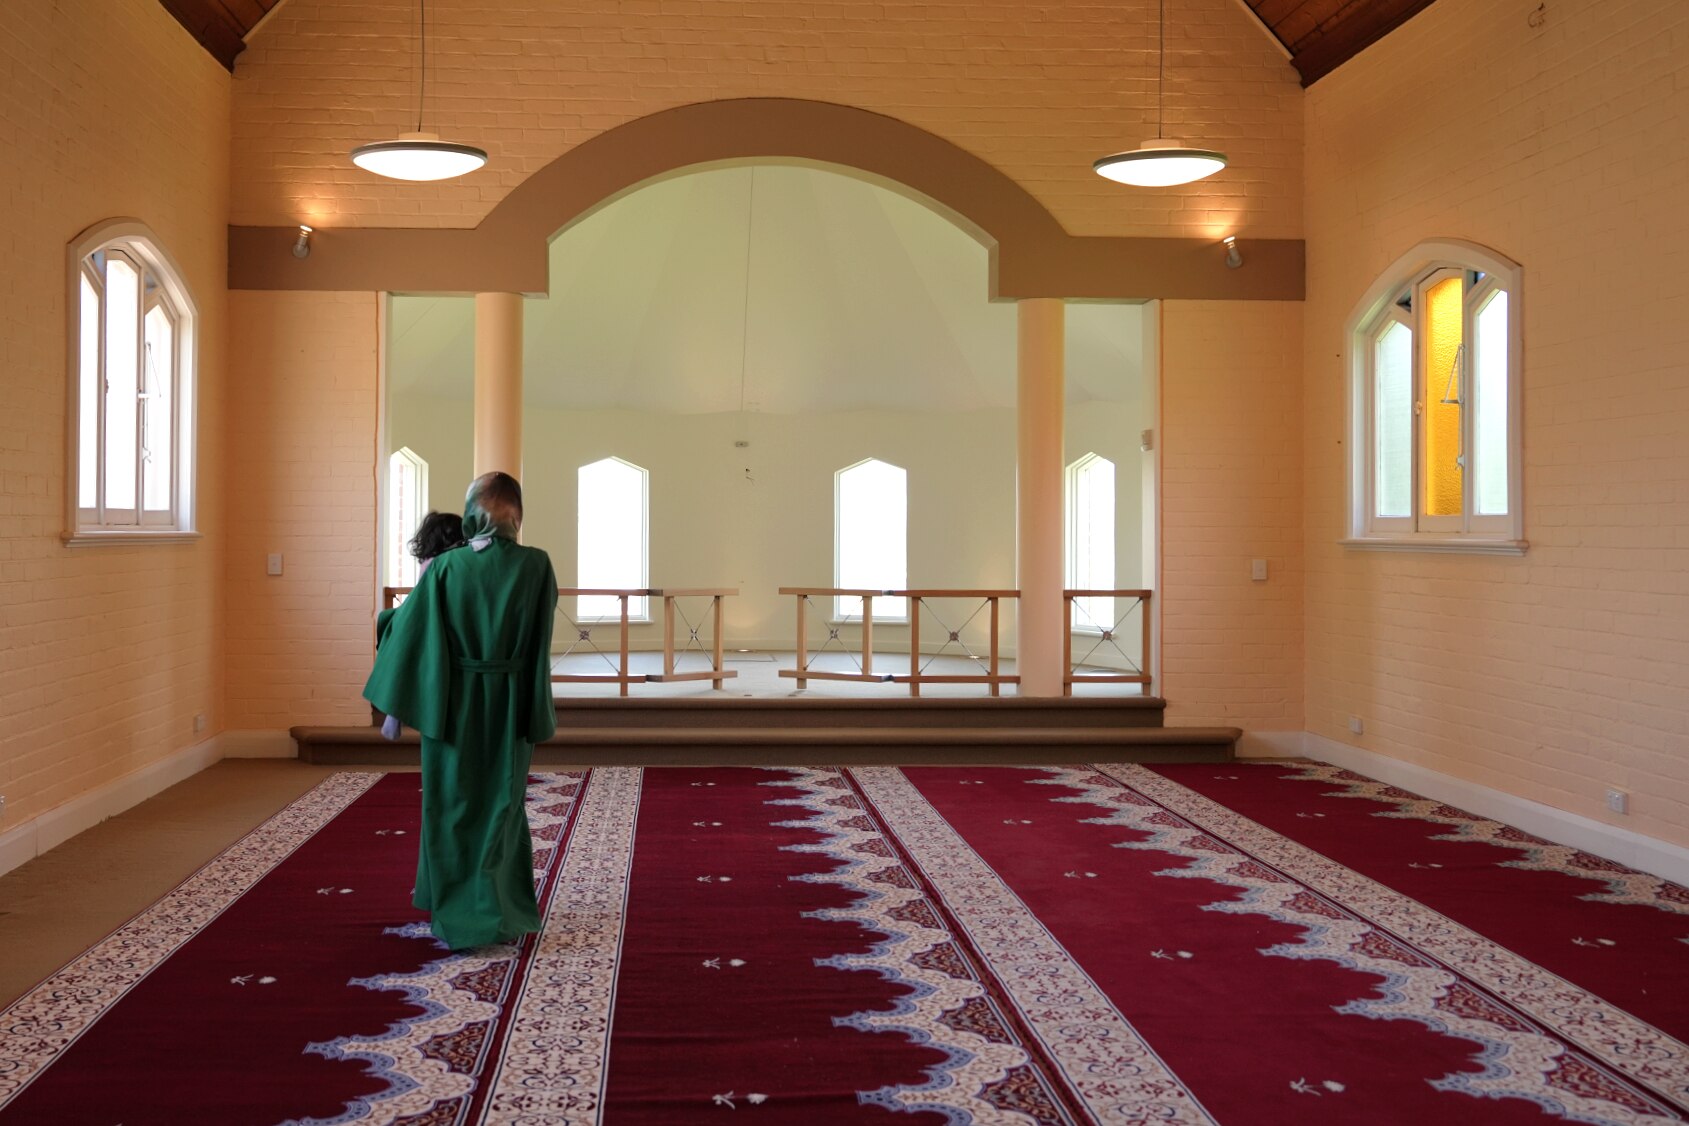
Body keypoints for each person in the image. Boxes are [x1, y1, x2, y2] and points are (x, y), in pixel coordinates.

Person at [364, 472, 559, 950]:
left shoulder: (448, 569)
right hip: (510, 698)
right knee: (503, 805)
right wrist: (535, 702)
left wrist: (384, 620)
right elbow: (540, 641)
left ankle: (453, 911)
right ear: (515, 514)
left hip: (455, 702)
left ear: (474, 513)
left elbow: (410, 628)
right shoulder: (537, 566)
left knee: (451, 804)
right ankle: (500, 909)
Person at [376, 511, 467, 740]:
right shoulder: (444, 563)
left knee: (398, 630)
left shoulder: (434, 562)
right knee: (400, 627)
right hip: (433, 618)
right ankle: (395, 709)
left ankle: (394, 709)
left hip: (431, 620)